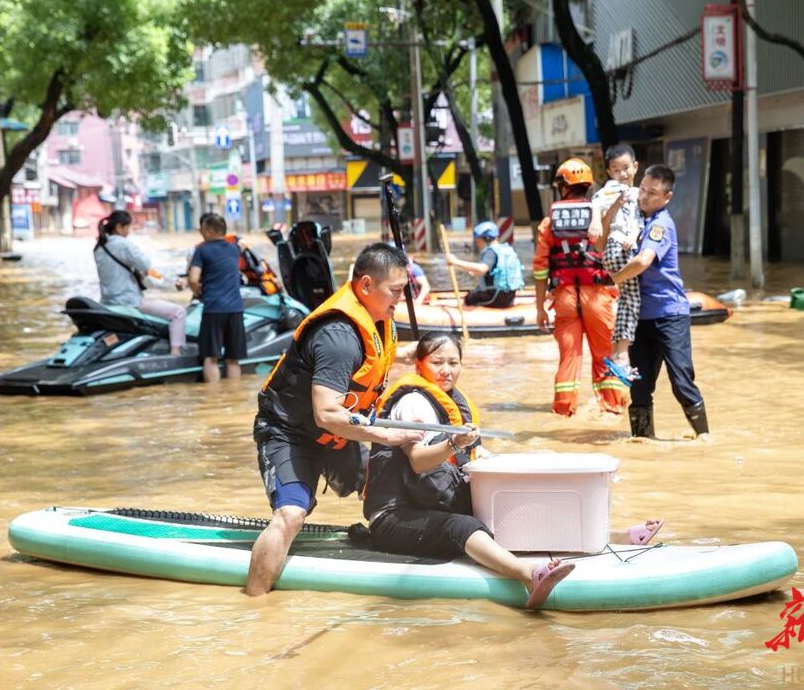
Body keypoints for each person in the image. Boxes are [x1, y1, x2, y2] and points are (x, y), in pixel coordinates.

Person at [363, 332, 665, 609]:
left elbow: (472, 459)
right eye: (437, 362)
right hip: (393, 518)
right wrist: (455, 443)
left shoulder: (454, 401)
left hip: (428, 503)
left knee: (506, 505)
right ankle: (526, 575)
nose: (446, 370)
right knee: (461, 526)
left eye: (453, 362)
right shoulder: (413, 402)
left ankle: (612, 535)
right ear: (420, 364)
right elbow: (418, 461)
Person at [247, 243, 423, 595]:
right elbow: (327, 413)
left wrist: (425, 354)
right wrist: (389, 436)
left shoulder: (378, 319)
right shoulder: (338, 337)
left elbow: (376, 363)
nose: (402, 300)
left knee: (390, 488)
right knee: (291, 516)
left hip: (341, 433)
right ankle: (255, 604)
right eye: (396, 291)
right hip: (291, 433)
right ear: (367, 286)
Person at [610, 164, 709, 439]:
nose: (643, 196)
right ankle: (643, 440)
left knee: (681, 381)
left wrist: (613, 280)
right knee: (639, 386)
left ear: (667, 197)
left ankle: (704, 438)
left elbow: (643, 261)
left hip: (669, 314)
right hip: (641, 318)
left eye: (652, 193)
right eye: (642, 189)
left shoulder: (660, 224)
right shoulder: (634, 221)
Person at [533, 158, 626, 417]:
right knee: (605, 355)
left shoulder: (548, 223)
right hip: (598, 296)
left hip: (564, 298)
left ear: (562, 186)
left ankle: (564, 412)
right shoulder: (602, 214)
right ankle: (612, 408)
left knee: (569, 357)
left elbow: (540, 269)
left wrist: (540, 308)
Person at [94, 210, 186, 356]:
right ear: (119, 227)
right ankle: (176, 354)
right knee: (178, 313)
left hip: (108, 302)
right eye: (127, 228)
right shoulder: (123, 244)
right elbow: (145, 264)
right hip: (129, 301)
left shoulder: (99, 247)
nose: (128, 232)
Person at [592, 144, 644, 383]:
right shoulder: (613, 188)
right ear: (609, 173)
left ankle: (617, 352)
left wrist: (633, 236)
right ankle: (622, 356)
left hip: (622, 246)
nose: (622, 174)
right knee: (631, 299)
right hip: (616, 247)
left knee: (626, 298)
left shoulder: (637, 193)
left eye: (625, 168)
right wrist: (596, 222)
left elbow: (638, 222)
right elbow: (595, 201)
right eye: (616, 170)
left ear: (635, 167)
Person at [189, 214, 245, 383]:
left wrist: (197, 290)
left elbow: (192, 279)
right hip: (235, 309)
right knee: (233, 359)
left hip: (213, 309)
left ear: (209, 230)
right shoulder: (234, 249)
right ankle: (233, 397)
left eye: (203, 229)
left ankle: (213, 396)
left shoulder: (202, 250)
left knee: (211, 357)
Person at [446, 221, 524, 308]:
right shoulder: (506, 250)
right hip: (509, 297)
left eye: (478, 241)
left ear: (486, 239)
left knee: (469, 297)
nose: (477, 244)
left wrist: (455, 261)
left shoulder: (490, 252)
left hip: (494, 298)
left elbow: (481, 269)